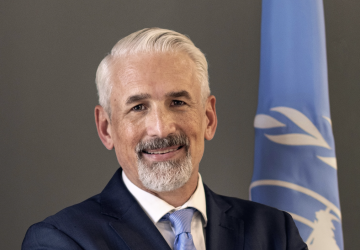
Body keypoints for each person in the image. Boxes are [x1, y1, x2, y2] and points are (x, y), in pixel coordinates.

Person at [22, 28, 308, 250]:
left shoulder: (274, 232)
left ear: (208, 118)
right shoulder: (60, 240)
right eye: (138, 107)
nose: (161, 129)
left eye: (178, 102)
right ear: (106, 128)